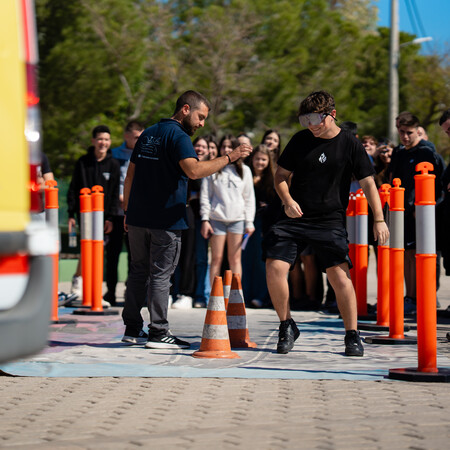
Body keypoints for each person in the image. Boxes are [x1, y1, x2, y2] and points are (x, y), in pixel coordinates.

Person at [121, 90, 252, 348]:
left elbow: (130, 176)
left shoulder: (148, 133)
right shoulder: (179, 136)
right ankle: (158, 332)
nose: (202, 123)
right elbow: (194, 171)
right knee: (160, 275)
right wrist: (229, 157)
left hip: (137, 218)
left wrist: (128, 212)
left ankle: (132, 329)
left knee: (138, 272)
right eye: (200, 117)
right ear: (185, 110)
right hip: (165, 220)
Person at [263, 91, 389, 356]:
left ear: (331, 115)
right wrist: (286, 200)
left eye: (315, 119)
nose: (311, 126)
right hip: (294, 216)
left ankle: (352, 334)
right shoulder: (300, 140)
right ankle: (286, 325)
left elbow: (368, 182)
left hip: (329, 219)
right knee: (274, 266)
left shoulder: (350, 144)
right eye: (305, 120)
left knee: (339, 276)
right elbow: (281, 176)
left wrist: (378, 218)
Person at [388, 112, 444, 313]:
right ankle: (409, 296)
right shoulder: (399, 153)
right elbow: (392, 178)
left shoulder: (428, 153)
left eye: (409, 132)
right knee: (407, 255)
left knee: (424, 255)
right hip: (402, 212)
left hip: (423, 212)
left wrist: (429, 207)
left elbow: (439, 185)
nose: (404, 136)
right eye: (401, 132)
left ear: (417, 130)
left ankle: (424, 295)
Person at [67, 125, 121, 305]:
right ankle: (78, 281)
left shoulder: (113, 165)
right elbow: (73, 188)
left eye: (106, 139)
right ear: (93, 141)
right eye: (100, 139)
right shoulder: (83, 162)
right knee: (86, 249)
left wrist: (110, 218)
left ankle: (95, 291)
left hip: (105, 217)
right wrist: (71, 214)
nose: (103, 143)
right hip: (85, 213)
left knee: (100, 252)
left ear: (110, 142)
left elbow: (114, 194)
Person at [200, 135, 256, 288]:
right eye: (224, 146)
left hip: (237, 220)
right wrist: (205, 219)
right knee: (216, 258)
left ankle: (236, 296)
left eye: (230, 147)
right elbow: (205, 196)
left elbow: (249, 198)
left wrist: (249, 222)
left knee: (235, 259)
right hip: (217, 219)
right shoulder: (212, 168)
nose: (227, 150)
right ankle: (214, 296)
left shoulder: (245, 171)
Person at [104, 120, 145, 306]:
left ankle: (132, 293)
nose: (139, 140)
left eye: (141, 137)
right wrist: (119, 199)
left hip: (135, 212)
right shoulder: (113, 155)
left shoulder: (145, 154)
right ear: (126, 136)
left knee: (134, 256)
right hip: (115, 212)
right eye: (136, 137)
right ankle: (110, 292)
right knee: (112, 255)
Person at [242, 144, 275, 308]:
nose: (260, 162)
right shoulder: (244, 175)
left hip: (264, 225)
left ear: (269, 161)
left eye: (263, 159)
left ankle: (261, 296)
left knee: (261, 262)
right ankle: (245, 294)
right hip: (246, 223)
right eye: (257, 159)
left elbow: (275, 204)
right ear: (252, 159)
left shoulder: (272, 180)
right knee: (245, 260)